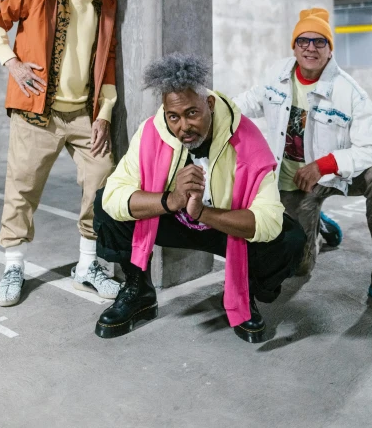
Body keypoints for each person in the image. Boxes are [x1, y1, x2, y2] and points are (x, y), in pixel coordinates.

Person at [92, 54, 306, 343]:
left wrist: (202, 213)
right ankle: (138, 290)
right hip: (173, 218)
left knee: (290, 238)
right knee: (105, 202)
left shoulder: (248, 141)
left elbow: (268, 220)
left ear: (210, 105)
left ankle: (244, 291)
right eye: (174, 117)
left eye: (192, 113)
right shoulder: (151, 134)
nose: (183, 127)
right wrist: (171, 200)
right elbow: (115, 195)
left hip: (222, 227)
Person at [234, 7, 372, 318]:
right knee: (299, 268)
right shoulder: (277, 76)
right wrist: (212, 106)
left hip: (336, 174)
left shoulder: (349, 92)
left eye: (320, 42)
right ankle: (316, 222)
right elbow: (250, 101)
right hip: (295, 182)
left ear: (329, 49)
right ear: (294, 47)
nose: (310, 48)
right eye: (303, 40)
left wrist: (326, 164)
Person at [0, 0, 121, 307]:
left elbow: (108, 65)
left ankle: (88, 266)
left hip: (83, 115)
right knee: (22, 187)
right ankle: (13, 266)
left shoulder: (105, 6)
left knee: (102, 180)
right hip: (36, 113)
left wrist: (103, 115)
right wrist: (11, 63)